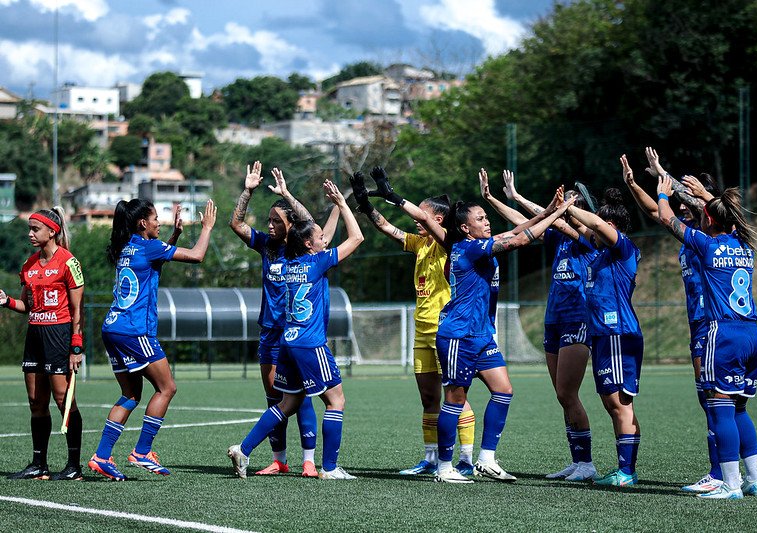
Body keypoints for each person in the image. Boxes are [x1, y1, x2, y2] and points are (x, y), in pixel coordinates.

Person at [420, 174, 574, 483]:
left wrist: (550, 209)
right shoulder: (469, 248)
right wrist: (558, 213)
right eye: (480, 218)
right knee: (454, 399)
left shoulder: (481, 244)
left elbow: (518, 229)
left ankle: (487, 459)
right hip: (458, 335)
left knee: (503, 390)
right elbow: (519, 239)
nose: (486, 222)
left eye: (486, 217)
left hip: (480, 334)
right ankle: (444, 467)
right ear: (465, 227)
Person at [228, 179, 363, 480]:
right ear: (308, 243)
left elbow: (311, 230)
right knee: (336, 400)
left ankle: (244, 449)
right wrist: (342, 205)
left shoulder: (288, 264)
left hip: (288, 339)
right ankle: (329, 468)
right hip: (309, 342)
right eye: (320, 237)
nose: (324, 239)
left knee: (288, 402)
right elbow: (356, 238)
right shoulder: (316, 262)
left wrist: (291, 195)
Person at [349, 167, 476, 476]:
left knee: (455, 397)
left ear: (437, 220)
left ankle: (467, 460)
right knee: (428, 397)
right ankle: (431, 459)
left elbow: (425, 223)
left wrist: (394, 196)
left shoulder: (450, 243)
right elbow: (388, 230)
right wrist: (367, 207)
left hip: (446, 331)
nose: (414, 218)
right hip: (422, 330)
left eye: (422, 214)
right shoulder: (419, 244)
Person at [480, 169, 598, 481]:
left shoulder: (589, 238)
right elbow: (525, 225)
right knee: (562, 395)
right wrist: (496, 199)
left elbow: (555, 218)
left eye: (576, 202)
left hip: (577, 318)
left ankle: (587, 463)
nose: (569, 205)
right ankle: (577, 461)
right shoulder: (560, 236)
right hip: (554, 320)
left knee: (567, 392)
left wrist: (524, 198)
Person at [88, 198, 217, 481]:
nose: (160, 222)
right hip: (135, 330)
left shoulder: (128, 248)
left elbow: (154, 259)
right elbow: (197, 256)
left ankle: (101, 455)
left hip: (112, 327)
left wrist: (175, 236)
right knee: (167, 388)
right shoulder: (149, 247)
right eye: (156, 218)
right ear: (142, 223)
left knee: (131, 394)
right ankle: (142, 451)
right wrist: (206, 227)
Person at [656, 177, 757, 500]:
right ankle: (754, 480)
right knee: (740, 409)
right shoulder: (744, 243)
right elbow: (731, 217)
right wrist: (705, 196)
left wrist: (663, 192)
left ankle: (731, 485)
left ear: (709, 220)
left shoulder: (706, 244)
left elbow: (666, 218)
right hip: (753, 335)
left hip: (725, 333)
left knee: (720, 409)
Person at [624, 148, 723, 492]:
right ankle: (736, 474)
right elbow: (656, 210)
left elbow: (673, 206)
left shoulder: (712, 234)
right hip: (701, 324)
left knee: (714, 401)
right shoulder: (692, 233)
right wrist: (636, 183)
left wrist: (662, 175)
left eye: (688, 199)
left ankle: (720, 474)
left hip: (713, 325)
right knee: (713, 401)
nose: (681, 206)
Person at [564, 167, 644, 487]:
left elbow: (594, 223)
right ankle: (624, 469)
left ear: (610, 227)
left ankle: (627, 471)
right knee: (611, 403)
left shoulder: (622, 248)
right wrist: (563, 210)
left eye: (597, 227)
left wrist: (570, 207)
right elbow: (575, 225)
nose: (589, 232)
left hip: (618, 334)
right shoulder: (598, 253)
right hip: (602, 335)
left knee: (620, 403)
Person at [1, 208, 85, 481]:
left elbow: (77, 310)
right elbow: (28, 305)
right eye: (30, 228)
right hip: (35, 336)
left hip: (59, 335)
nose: (30, 233)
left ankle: (73, 466)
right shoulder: (29, 265)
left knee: (64, 400)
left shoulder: (68, 262)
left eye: (36, 229)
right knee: (36, 402)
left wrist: (76, 346)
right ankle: (39, 465)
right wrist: (7, 301)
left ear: (53, 231)